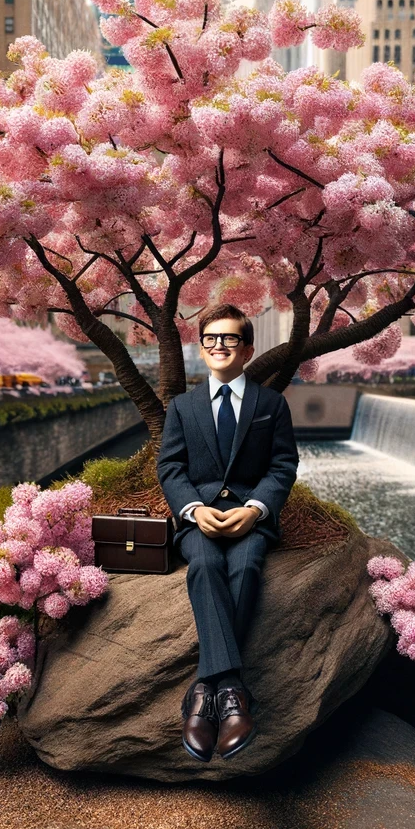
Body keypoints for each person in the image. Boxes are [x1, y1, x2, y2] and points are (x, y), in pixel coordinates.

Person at [156, 302, 299, 764]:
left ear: (247, 347)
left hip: (250, 518)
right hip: (199, 518)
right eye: (210, 339)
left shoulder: (271, 404)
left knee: (246, 565)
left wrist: (256, 509)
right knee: (203, 563)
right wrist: (193, 509)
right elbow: (171, 467)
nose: (218, 346)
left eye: (229, 338)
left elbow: (283, 465)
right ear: (201, 348)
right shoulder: (182, 407)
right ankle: (232, 691)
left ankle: (203, 690)